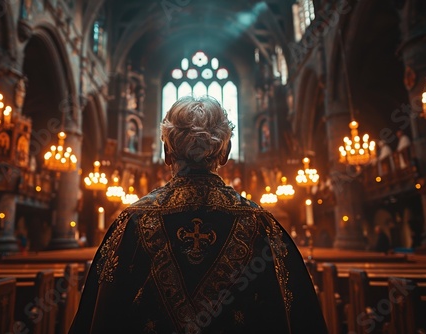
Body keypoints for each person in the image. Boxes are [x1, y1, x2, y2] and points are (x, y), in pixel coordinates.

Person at [69, 96, 327, 334]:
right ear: (225, 153)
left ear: (167, 153)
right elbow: (294, 314)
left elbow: (103, 317)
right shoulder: (260, 224)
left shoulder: (133, 221)